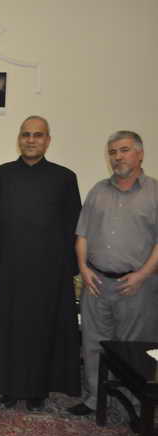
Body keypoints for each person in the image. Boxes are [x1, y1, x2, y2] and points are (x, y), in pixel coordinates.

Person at [0, 115, 82, 412]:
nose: (31, 140)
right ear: (19, 139)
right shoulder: (0, 175)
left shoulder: (65, 178)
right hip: (8, 270)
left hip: (48, 272)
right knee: (9, 331)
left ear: (48, 140)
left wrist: (69, 270)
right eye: (26, 134)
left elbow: (74, 225)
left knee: (42, 331)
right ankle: (8, 387)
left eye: (38, 135)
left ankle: (38, 389)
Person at [67, 131, 158, 417]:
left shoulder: (154, 193)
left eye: (124, 150)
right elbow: (82, 235)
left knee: (133, 347)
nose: (118, 157)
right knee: (93, 343)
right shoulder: (98, 191)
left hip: (137, 285)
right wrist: (83, 268)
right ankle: (95, 399)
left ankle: (133, 404)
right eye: (113, 152)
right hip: (96, 282)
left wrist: (142, 275)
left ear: (140, 154)